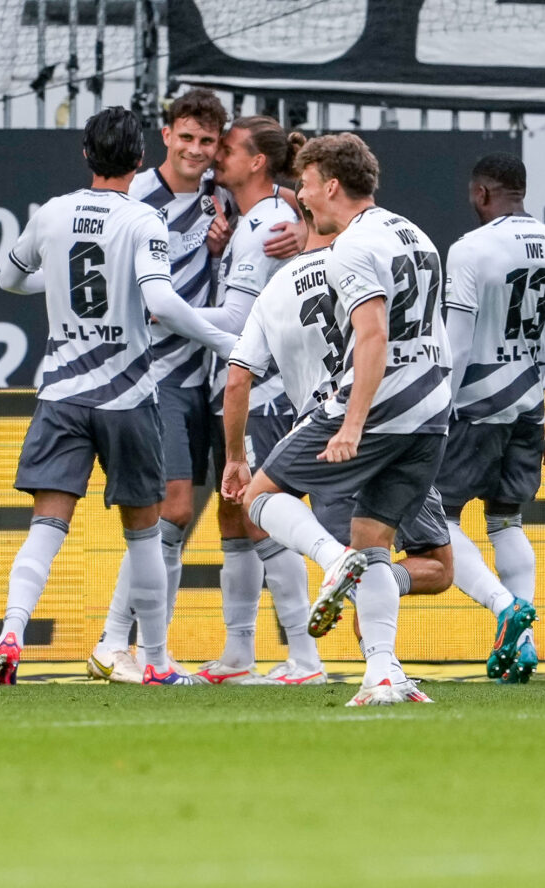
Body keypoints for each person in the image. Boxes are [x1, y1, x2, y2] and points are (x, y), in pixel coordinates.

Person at [0, 107, 236, 686]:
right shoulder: (142, 219)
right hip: (126, 398)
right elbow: (163, 302)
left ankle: (11, 634)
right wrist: (229, 342)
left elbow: (10, 279)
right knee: (145, 534)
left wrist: (60, 283)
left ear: (85, 154)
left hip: (63, 396)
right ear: (141, 157)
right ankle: (156, 662)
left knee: (46, 528)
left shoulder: (52, 212)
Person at [224, 133, 450, 707]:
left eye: (305, 184)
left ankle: (331, 560)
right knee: (375, 543)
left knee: (258, 496)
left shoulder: (352, 246)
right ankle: (384, 673)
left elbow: (373, 336)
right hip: (431, 414)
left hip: (378, 406)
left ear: (331, 184)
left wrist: (352, 424)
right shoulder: (414, 233)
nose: (300, 196)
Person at [92, 92, 307, 678]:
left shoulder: (225, 196)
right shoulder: (134, 195)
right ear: (165, 136)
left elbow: (288, 193)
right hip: (153, 373)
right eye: (186, 137)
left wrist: (305, 227)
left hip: (211, 379)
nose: (196, 150)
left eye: (209, 142)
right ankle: (119, 642)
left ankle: (231, 654)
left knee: (237, 515)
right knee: (174, 508)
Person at [182, 117, 327, 686]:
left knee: (262, 518)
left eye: (228, 149)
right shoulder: (254, 215)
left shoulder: (265, 223)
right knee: (235, 518)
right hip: (237, 393)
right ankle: (238, 654)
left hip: (265, 394)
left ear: (257, 162)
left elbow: (238, 321)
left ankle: (306, 659)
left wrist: (159, 310)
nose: (216, 156)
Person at [440, 152, 545, 683]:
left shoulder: (470, 249)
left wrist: (437, 414)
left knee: (435, 518)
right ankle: (524, 644)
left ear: (481, 193)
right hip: (528, 408)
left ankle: (507, 611)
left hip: (471, 407)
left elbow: (457, 346)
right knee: (506, 520)